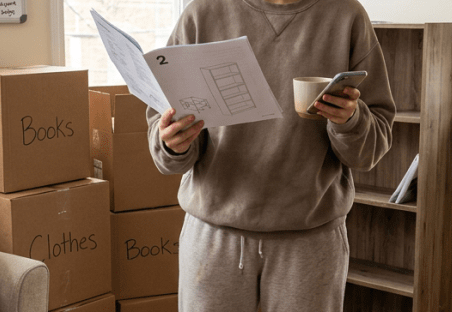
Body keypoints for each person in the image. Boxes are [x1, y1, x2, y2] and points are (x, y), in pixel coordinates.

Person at [146, 0, 396, 310]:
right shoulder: (203, 12)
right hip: (214, 240)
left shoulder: (347, 16)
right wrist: (172, 143)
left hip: (310, 243)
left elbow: (371, 148)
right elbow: (163, 129)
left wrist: (350, 120)